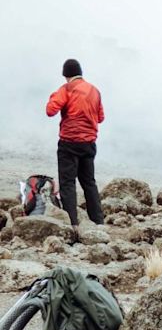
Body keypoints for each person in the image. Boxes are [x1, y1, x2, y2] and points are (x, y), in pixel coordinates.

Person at [45, 58, 105, 237]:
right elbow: (100, 117)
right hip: (88, 143)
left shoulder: (66, 89)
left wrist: (54, 96)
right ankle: (98, 222)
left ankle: (73, 224)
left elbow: (50, 110)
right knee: (89, 182)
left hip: (69, 142)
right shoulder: (94, 90)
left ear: (66, 75)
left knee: (68, 183)